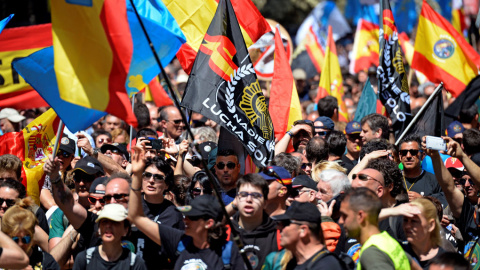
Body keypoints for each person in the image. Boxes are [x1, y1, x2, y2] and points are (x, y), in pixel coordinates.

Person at [128, 146, 244, 269]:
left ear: (208, 223)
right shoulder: (179, 241)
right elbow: (136, 217)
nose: (185, 220)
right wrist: (136, 175)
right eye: (187, 215)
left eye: (193, 217)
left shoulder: (228, 253)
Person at [339, 188, 411, 270]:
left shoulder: (371, 254)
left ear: (360, 216)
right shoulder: (388, 241)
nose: (341, 221)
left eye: (345, 216)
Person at [272, 201, 345, 269]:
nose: (278, 227)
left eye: (285, 224)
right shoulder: (292, 263)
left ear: (303, 230)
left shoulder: (326, 265)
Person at [73, 204, 147, 270]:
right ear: (99, 228)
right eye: (104, 221)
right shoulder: (84, 259)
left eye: (115, 222)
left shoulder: (135, 264)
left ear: (125, 230)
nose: (108, 226)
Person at [231, 174, 280, 269]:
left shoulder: (278, 234)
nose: (249, 200)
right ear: (236, 199)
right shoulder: (225, 232)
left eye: (256, 195)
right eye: (243, 195)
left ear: (265, 203)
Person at [2, 198, 60, 269]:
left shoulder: (46, 261)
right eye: (15, 239)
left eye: (26, 239)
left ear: (33, 237)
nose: (21, 244)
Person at [398, 135, 445, 205]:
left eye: (413, 152)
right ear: (400, 156)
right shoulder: (393, 179)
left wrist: (423, 199)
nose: (408, 156)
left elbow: (444, 203)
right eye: (404, 152)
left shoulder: (434, 180)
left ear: (422, 155)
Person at [401, 198, 445, 269]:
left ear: (431, 225)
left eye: (414, 221)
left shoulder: (445, 261)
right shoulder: (398, 251)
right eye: (405, 220)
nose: (407, 226)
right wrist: (393, 211)